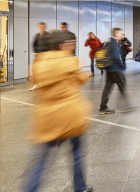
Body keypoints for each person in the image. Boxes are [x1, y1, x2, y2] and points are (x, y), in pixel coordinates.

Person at [25, 30, 93, 192]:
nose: (72, 47)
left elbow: (36, 88)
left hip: (47, 118)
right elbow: (80, 80)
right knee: (76, 152)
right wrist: (88, 74)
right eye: (71, 44)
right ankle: (80, 187)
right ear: (62, 45)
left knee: (41, 160)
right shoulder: (70, 61)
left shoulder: (37, 64)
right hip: (70, 115)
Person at [99, 28, 135, 115]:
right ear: (116, 34)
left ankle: (103, 107)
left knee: (107, 87)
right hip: (115, 69)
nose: (121, 35)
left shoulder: (109, 42)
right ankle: (125, 106)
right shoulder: (114, 43)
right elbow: (116, 57)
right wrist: (122, 66)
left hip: (109, 69)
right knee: (122, 84)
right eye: (120, 33)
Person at [29, 22, 50, 91]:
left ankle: (46, 84)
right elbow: (34, 44)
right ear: (39, 27)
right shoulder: (37, 35)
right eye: (40, 27)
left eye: (43, 27)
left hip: (46, 55)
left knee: (45, 70)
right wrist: (34, 52)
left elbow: (51, 45)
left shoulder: (48, 35)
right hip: (38, 55)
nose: (42, 28)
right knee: (35, 69)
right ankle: (36, 84)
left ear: (45, 27)